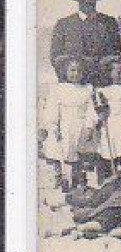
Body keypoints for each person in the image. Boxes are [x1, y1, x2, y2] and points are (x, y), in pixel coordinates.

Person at [51, 0, 121, 85]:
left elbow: (116, 54)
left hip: (103, 85)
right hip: (74, 88)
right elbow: (55, 58)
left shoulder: (109, 23)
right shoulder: (63, 24)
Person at [41, 54, 99, 190]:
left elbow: (91, 110)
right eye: (72, 70)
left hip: (80, 126)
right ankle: (60, 179)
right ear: (65, 71)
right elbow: (52, 110)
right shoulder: (58, 89)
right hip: (64, 126)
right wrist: (54, 126)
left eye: (79, 70)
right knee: (60, 152)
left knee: (79, 154)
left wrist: (89, 126)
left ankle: (80, 180)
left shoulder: (87, 89)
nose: (76, 73)